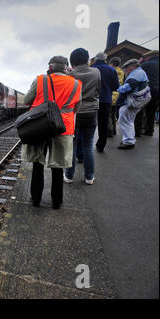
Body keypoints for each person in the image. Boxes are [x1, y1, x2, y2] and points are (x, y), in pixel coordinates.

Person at [23, 56, 82, 209]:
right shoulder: (76, 84)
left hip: (40, 127)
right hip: (64, 128)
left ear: (50, 67)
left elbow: (27, 101)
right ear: (66, 68)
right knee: (58, 166)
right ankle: (57, 202)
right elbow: (77, 108)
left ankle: (35, 199)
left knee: (38, 164)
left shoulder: (40, 80)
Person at [64, 48, 101, 185]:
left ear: (72, 62)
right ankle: (89, 177)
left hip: (74, 113)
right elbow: (99, 90)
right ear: (87, 60)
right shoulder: (96, 72)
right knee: (88, 145)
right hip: (92, 111)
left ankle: (69, 176)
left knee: (72, 146)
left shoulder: (70, 75)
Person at [116, 58, 150, 149]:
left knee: (123, 121)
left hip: (130, 101)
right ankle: (129, 139)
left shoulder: (136, 74)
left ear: (133, 66)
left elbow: (129, 87)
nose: (126, 70)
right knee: (129, 121)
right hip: (137, 100)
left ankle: (128, 141)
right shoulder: (141, 72)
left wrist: (118, 88)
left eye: (127, 67)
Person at [91, 52, 120, 152]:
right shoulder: (111, 70)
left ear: (95, 59)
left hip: (91, 99)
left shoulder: (91, 69)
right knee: (103, 124)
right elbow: (116, 86)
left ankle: (86, 146)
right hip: (105, 100)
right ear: (105, 59)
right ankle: (101, 145)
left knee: (89, 123)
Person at [140, 50, 159, 136]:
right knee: (152, 111)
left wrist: (139, 62)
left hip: (148, 90)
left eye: (145, 57)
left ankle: (141, 129)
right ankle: (149, 130)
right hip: (158, 91)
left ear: (150, 56)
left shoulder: (146, 65)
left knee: (141, 110)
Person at [108, 57, 125, 137]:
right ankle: (114, 130)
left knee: (108, 114)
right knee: (114, 114)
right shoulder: (122, 72)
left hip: (110, 95)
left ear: (111, 64)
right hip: (118, 96)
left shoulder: (110, 71)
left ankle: (109, 131)